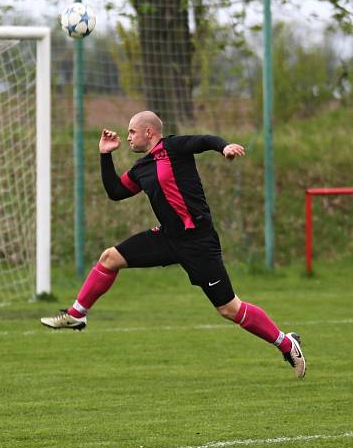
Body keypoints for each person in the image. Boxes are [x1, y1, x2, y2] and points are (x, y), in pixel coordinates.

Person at [40, 111, 306, 379]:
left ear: (149, 132)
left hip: (198, 242)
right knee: (110, 257)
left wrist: (223, 146)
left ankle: (286, 343)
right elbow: (115, 192)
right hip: (168, 237)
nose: (128, 137)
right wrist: (105, 155)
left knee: (228, 308)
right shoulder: (142, 168)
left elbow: (204, 140)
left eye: (132, 132)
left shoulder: (174, 147)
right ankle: (77, 314)